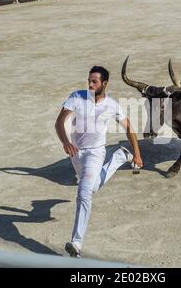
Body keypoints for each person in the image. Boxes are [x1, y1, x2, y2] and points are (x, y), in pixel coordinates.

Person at [55, 66, 144, 258]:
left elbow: (129, 129)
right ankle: (120, 156)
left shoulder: (111, 105)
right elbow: (59, 122)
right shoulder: (77, 97)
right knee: (91, 187)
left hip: (96, 154)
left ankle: (76, 243)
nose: (90, 84)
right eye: (89, 80)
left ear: (104, 83)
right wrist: (65, 142)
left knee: (84, 192)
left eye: (94, 81)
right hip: (75, 152)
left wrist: (137, 154)